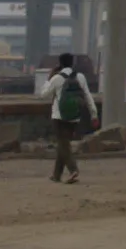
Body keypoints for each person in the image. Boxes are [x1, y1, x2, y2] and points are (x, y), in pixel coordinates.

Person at [38, 51, 97, 183]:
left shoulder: (57, 78)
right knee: (63, 144)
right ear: (72, 63)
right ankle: (56, 175)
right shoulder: (80, 77)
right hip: (74, 116)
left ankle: (73, 170)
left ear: (60, 63)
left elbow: (43, 95)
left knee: (63, 144)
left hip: (59, 116)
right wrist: (94, 114)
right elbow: (87, 96)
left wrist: (49, 80)